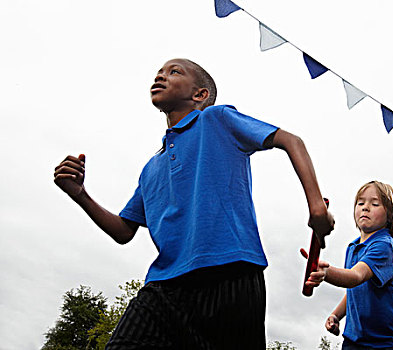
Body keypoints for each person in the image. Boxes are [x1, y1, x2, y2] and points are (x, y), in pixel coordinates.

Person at [53, 58, 334, 349]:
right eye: (159, 72)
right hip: (164, 285)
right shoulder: (151, 168)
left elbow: (291, 140)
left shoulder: (217, 119)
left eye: (174, 72)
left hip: (230, 273)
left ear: (200, 95)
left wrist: (316, 206)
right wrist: (80, 194)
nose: (161, 76)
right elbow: (124, 231)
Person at [304, 181, 393, 349]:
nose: (365, 207)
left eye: (375, 204)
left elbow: (355, 277)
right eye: (360, 203)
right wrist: (336, 315)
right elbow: (355, 289)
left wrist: (327, 273)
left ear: (390, 216)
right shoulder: (352, 248)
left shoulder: (384, 245)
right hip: (357, 341)